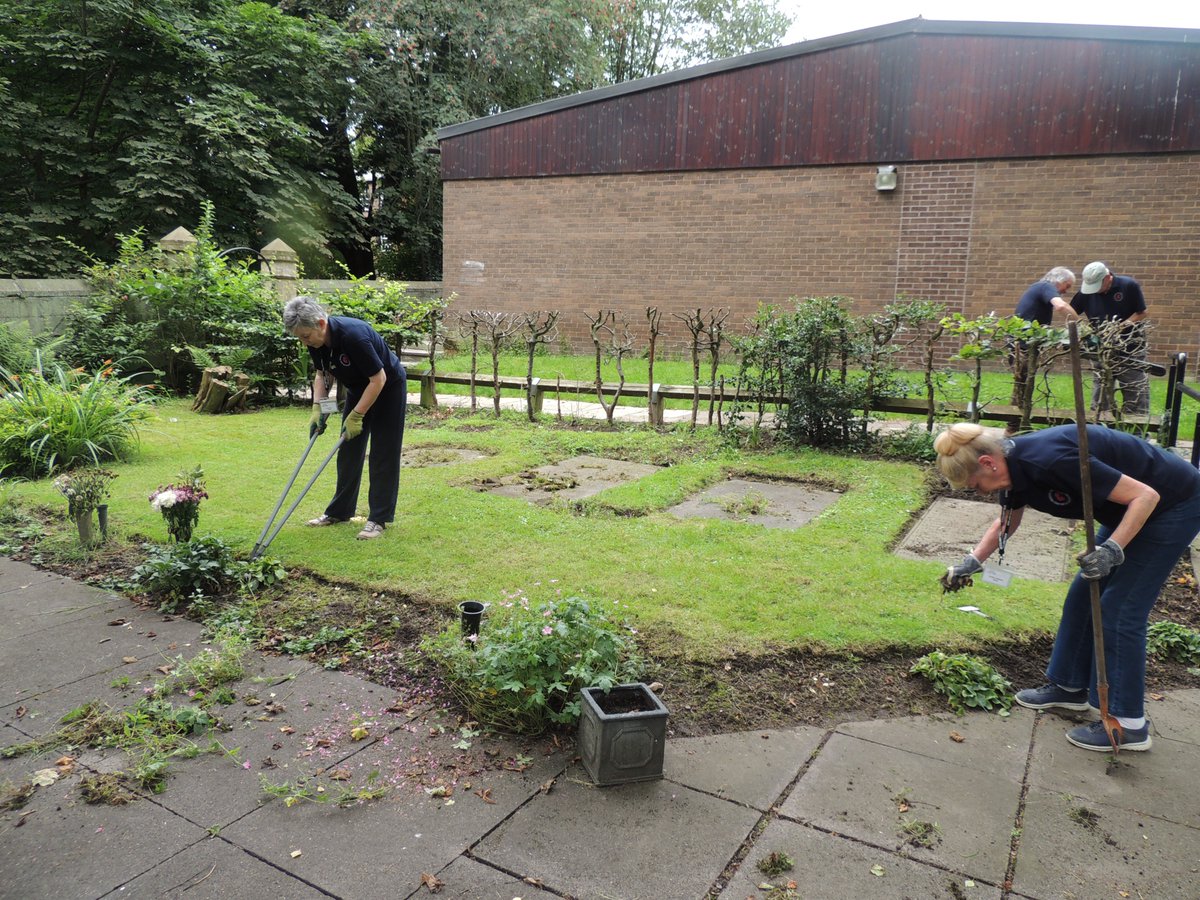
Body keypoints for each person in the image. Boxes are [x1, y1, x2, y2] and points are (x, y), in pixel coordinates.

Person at [935, 422, 1200, 752]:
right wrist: (971, 562)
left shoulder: (1052, 461)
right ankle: (1070, 686)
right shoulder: (1010, 465)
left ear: (988, 463)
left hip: (1173, 504)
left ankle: (1127, 725)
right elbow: (1007, 520)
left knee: (1120, 609)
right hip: (1129, 509)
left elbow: (1146, 496)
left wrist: (1112, 550)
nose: (980, 492)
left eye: (976, 485)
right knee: (1083, 595)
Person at [283, 295, 407, 540]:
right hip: (360, 389)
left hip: (388, 388)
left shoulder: (353, 336)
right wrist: (319, 409)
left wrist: (357, 415)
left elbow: (379, 379)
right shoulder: (316, 341)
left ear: (321, 323)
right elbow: (323, 374)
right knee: (348, 449)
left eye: (305, 336)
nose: (304, 342)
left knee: (383, 452)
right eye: (300, 338)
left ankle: (378, 519)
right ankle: (339, 512)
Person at [1069, 262, 1149, 416]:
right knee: (1102, 388)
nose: (1094, 290)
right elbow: (1070, 311)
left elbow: (1142, 312)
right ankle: (1100, 423)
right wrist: (1084, 330)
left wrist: (1121, 326)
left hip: (1130, 347)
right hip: (1102, 347)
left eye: (1097, 285)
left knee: (1134, 388)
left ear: (1107, 278)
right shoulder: (1086, 291)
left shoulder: (1128, 286)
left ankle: (1136, 426)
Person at [1010, 267, 1076, 407]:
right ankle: (1016, 419)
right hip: (1023, 346)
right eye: (1067, 286)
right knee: (1022, 385)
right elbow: (1061, 306)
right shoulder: (1046, 286)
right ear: (1059, 280)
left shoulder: (1039, 287)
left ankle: (1019, 417)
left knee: (1023, 384)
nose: (1066, 291)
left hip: (1024, 343)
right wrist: (1080, 323)